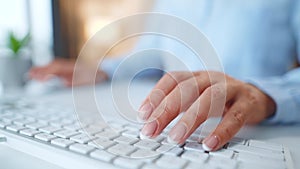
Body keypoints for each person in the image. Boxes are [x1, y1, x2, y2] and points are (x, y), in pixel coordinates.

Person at [29, 0, 300, 151]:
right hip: (176, 133)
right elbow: (152, 53)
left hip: (256, 135)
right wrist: (102, 69)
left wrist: (264, 96)